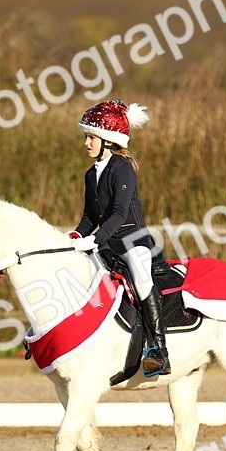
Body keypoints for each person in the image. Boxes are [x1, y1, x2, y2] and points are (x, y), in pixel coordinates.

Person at [69, 99, 170, 376]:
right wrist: (77, 235)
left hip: (133, 241)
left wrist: (95, 239)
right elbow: (90, 215)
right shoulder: (91, 174)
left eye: (91, 137)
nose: (86, 143)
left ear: (108, 140)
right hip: (107, 243)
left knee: (140, 277)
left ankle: (159, 351)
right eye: (87, 137)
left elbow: (118, 212)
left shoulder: (122, 169)